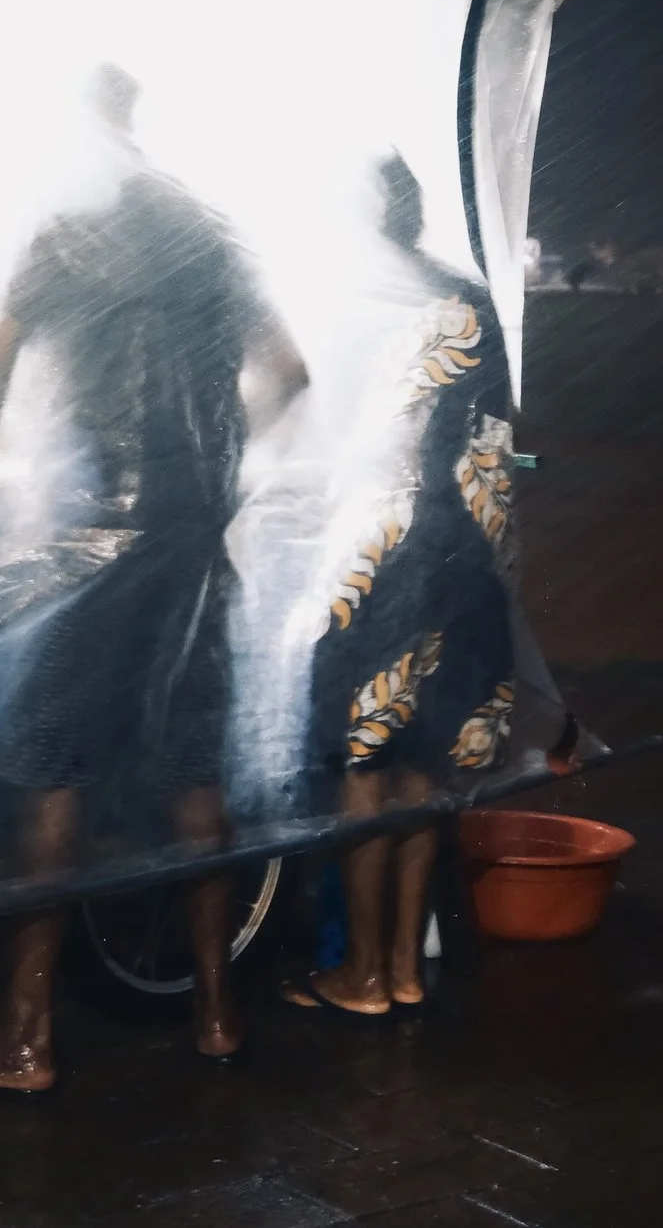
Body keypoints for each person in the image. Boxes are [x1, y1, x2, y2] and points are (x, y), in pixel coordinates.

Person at [0, 64, 308, 1092]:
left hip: (93, 539)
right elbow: (290, 368)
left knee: (49, 762)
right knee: (191, 766)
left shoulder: (63, 226)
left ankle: (23, 1036)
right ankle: (214, 1009)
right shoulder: (207, 224)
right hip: (193, 535)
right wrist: (212, 469)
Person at [284, 153, 522, 1018]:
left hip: (381, 554)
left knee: (360, 757)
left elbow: (320, 429)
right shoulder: (468, 296)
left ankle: (363, 977)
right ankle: (404, 969)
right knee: (421, 764)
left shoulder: (353, 302)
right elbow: (491, 438)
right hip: (464, 555)